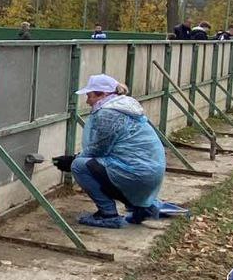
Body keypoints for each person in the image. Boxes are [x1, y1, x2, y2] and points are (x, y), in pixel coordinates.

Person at [53, 74, 165, 229]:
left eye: (90, 96)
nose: (87, 101)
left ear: (103, 94)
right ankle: (142, 207)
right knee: (104, 169)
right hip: (151, 171)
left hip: (138, 173)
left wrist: (72, 159)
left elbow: (100, 149)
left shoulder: (108, 113)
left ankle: (108, 215)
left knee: (79, 166)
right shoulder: (123, 106)